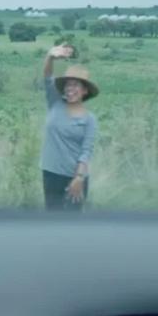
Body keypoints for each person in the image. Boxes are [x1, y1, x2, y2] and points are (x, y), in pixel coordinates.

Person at [40, 44, 99, 211]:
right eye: (68, 85)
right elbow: (47, 76)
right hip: (51, 173)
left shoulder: (89, 120)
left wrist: (79, 178)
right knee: (52, 220)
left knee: (71, 226)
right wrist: (50, 56)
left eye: (75, 85)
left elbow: (86, 151)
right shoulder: (55, 103)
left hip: (75, 177)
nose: (70, 89)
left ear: (84, 91)